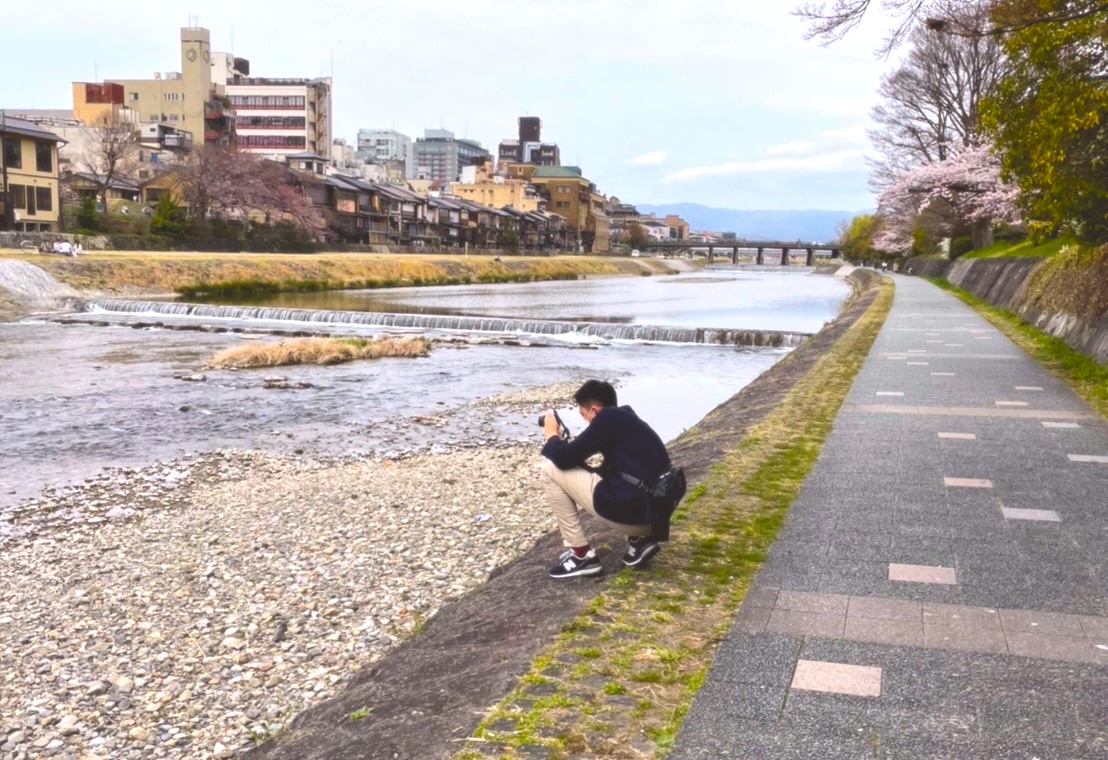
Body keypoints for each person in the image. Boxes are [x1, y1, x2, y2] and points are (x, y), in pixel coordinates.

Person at [539, 380, 672, 579]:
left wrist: (551, 436)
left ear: (594, 410)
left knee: (549, 469)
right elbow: (595, 468)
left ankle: (581, 556)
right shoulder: (626, 418)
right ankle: (638, 541)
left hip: (636, 516)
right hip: (654, 518)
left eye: (584, 415)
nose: (586, 423)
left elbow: (563, 459)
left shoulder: (607, 418)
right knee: (608, 477)